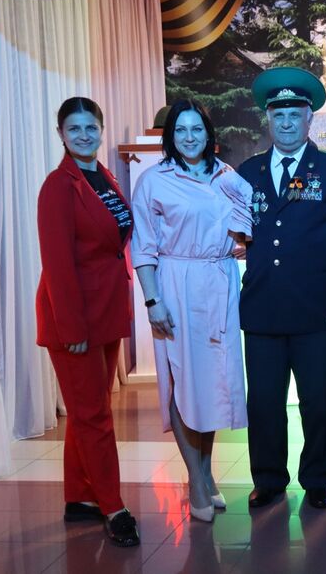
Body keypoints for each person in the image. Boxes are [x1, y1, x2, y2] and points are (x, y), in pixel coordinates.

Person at [237, 67, 326, 511]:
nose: (287, 123)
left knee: (320, 401)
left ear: (310, 119)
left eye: (295, 114)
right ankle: (269, 479)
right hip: (263, 307)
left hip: (316, 309)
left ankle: (318, 479)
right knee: (264, 402)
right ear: (268, 120)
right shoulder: (248, 171)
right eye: (279, 115)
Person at [131, 99, 253, 524]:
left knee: (212, 383)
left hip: (219, 283)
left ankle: (205, 471)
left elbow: (247, 217)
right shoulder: (153, 180)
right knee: (182, 382)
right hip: (176, 285)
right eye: (180, 130)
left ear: (208, 133)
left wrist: (241, 242)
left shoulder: (226, 175)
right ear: (170, 136)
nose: (189, 137)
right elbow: (143, 247)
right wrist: (153, 301)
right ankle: (196, 480)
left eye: (196, 129)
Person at [35, 96, 140, 547]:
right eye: (74, 128)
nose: (83, 135)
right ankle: (113, 507)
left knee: (89, 410)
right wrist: (72, 329)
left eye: (90, 127)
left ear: (101, 128)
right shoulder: (58, 187)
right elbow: (57, 265)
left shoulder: (103, 176)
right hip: (74, 319)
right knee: (93, 415)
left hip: (106, 311)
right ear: (60, 133)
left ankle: (80, 497)